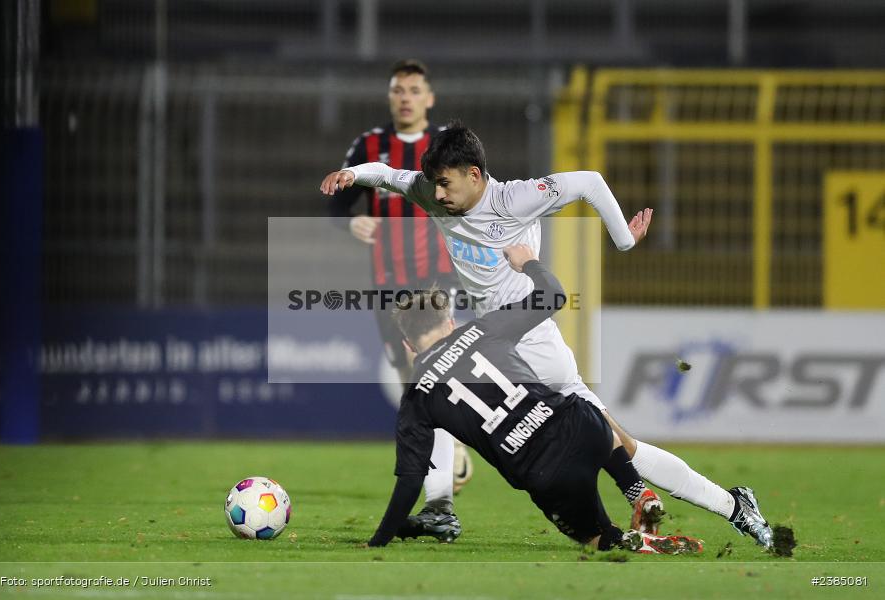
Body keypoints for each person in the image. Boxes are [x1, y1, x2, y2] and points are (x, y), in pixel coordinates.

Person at [320, 124, 775, 550]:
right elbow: (386, 175)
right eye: (434, 184)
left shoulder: (515, 198)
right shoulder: (430, 190)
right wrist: (352, 174)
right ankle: (450, 506)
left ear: (474, 175)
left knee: (617, 444)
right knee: (451, 400)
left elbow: (591, 182)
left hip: (529, 335)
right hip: (493, 338)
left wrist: (624, 242)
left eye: (445, 184)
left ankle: (722, 504)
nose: (436, 195)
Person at [369, 245, 768, 552]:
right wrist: (539, 260)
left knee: (594, 537)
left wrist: (380, 540)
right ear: (450, 321)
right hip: (540, 365)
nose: (443, 195)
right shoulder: (515, 210)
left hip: (531, 426)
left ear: (407, 344)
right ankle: (653, 493)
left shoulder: (417, 393)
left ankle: (442, 507)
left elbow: (409, 478)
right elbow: (555, 286)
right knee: (608, 432)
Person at [327, 60, 470, 541]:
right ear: (390, 98)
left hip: (436, 278)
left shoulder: (445, 146)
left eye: (414, 90)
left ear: (429, 98)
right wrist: (349, 221)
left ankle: (440, 502)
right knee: (416, 383)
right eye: (397, 90)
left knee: (432, 381)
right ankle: (447, 458)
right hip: (387, 286)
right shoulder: (368, 146)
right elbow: (336, 200)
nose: (405, 97)